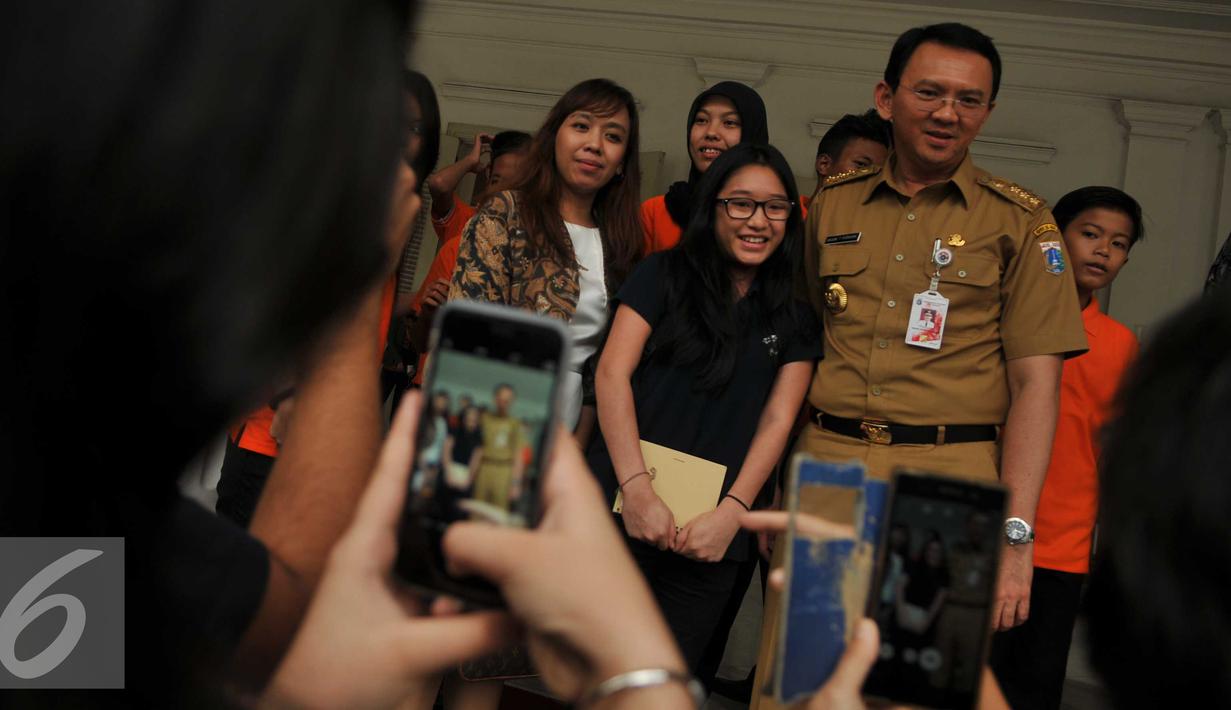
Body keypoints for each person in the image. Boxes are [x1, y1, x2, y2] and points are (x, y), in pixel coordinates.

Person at [751, 22, 1089, 708]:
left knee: (917, 691)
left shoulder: (1021, 223)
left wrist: (1015, 539)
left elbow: (1035, 387)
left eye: (969, 100)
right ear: (885, 97)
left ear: (987, 113)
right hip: (829, 468)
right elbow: (802, 343)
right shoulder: (831, 207)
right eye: (929, 92)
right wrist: (779, 477)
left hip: (950, 484)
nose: (946, 113)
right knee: (799, 683)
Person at [588, 143, 821, 671]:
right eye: (740, 203)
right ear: (712, 207)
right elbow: (611, 374)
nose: (757, 220)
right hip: (622, 507)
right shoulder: (662, 274)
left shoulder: (796, 317)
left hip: (712, 533)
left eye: (775, 206)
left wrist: (733, 515)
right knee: (597, 677)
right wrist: (637, 488)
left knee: (667, 683)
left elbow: (778, 421)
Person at [216, 68, 441, 528]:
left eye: (412, 127)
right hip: (276, 431)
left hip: (330, 433)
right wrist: (289, 397)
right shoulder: (329, 196)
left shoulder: (395, 209)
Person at [990, 186, 1143, 710]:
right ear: (1054, 235)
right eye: (1092, 234)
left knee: (1033, 688)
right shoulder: (1002, 316)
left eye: (1119, 244)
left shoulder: (1121, 344)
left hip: (1061, 549)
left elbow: (1116, 454)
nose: (1104, 250)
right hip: (983, 529)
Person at [449, 78, 644, 434]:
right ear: (555, 136)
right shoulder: (506, 212)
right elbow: (469, 330)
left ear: (621, 164)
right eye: (582, 126)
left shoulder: (622, 243)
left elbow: (602, 367)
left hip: (574, 428)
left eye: (613, 137)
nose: (594, 145)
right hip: (492, 414)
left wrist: (579, 443)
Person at [641, 81, 770, 254]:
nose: (710, 132)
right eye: (701, 120)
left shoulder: (776, 217)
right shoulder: (656, 213)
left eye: (729, 122)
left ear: (753, 134)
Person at [806, 109, 892, 209]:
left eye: (880, 172)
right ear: (824, 164)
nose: (873, 177)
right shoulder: (789, 219)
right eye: (861, 164)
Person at [469, 384, 525, 514]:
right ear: (495, 399)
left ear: (512, 402)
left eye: (507, 400)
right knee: (477, 509)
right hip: (484, 467)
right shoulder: (485, 419)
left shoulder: (515, 423)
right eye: (501, 399)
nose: (503, 403)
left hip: (504, 470)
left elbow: (518, 455)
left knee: (498, 512)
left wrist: (516, 483)